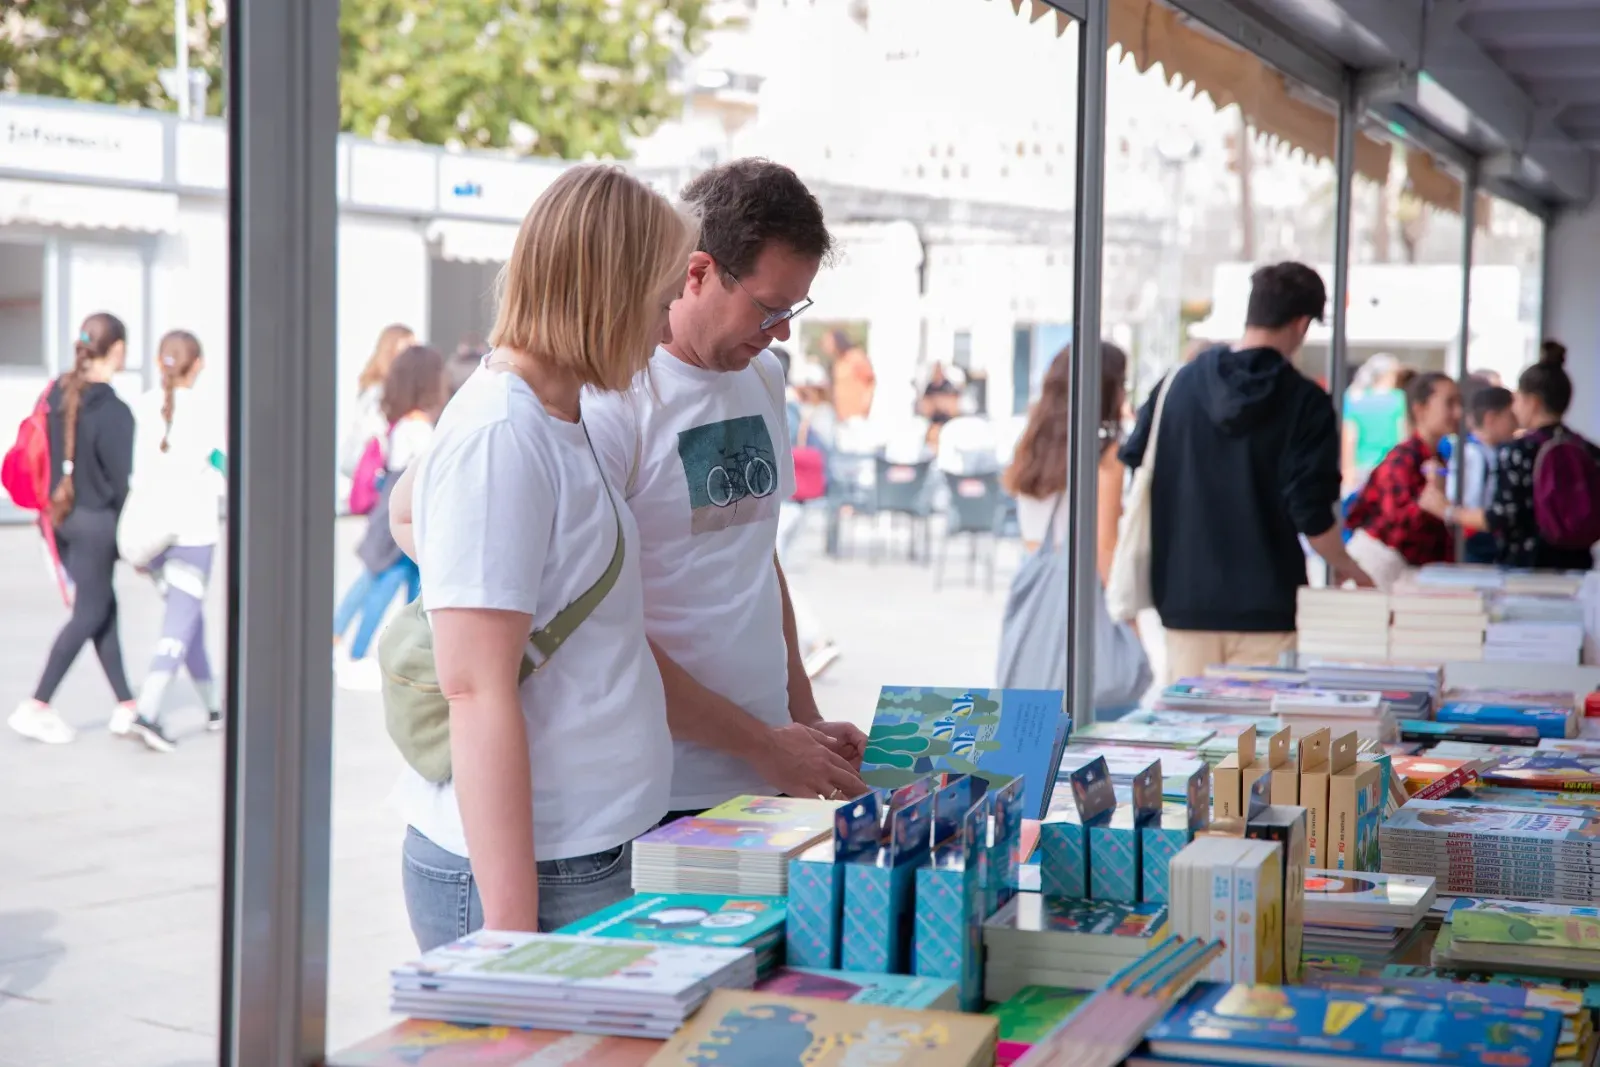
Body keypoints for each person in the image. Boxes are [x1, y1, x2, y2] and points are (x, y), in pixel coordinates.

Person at [387, 165, 699, 949]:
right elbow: (474, 690)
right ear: (608, 292)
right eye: (660, 302)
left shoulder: (558, 412)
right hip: (538, 875)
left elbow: (406, 510)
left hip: (582, 853)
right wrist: (510, 934)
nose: (665, 332)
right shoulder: (504, 430)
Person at [579, 158, 868, 819]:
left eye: (795, 309)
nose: (782, 332)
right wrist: (765, 744)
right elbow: (603, 629)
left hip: (770, 767)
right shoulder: (613, 395)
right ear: (699, 271)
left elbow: (756, 558)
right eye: (769, 307)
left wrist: (801, 721)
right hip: (662, 787)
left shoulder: (762, 377)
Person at [1120, 263, 1373, 683]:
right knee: (1257, 746)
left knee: (1188, 742)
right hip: (1267, 606)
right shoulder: (1307, 402)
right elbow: (1310, 512)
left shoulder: (1176, 386)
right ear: (1301, 323)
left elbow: (1137, 466)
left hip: (1185, 602)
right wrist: (1349, 567)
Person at [9, 314, 137, 745]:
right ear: (117, 350)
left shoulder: (57, 396)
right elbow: (123, 482)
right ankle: (37, 704)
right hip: (98, 523)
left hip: (62, 520)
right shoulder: (114, 411)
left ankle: (127, 705)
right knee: (90, 613)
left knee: (103, 610)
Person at [118, 330, 227, 751]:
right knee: (180, 623)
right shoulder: (204, 410)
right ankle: (147, 713)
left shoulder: (144, 406)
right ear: (196, 364)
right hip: (193, 533)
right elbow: (222, 468)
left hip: (150, 536)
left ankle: (214, 708)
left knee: (189, 619)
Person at [1422, 341, 1600, 571]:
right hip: (1577, 565)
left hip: (1527, 566)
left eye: (1517, 399)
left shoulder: (1519, 451)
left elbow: (1499, 517)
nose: (1514, 408)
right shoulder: (1587, 449)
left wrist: (1447, 510)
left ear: (1532, 402)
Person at [335, 344, 449, 691]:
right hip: (403, 522)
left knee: (381, 582)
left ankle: (347, 643)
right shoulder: (419, 430)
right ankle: (355, 655)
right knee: (387, 587)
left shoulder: (401, 424)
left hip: (389, 516)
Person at [1007, 342, 1128, 585]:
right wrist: (1128, 621)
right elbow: (1104, 550)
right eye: (1122, 384)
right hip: (1083, 595)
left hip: (1038, 594)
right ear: (1105, 390)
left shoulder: (1032, 446)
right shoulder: (1104, 456)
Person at [1343, 373, 1460, 590]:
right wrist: (1431, 507)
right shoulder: (1402, 460)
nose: (1458, 412)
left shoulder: (1435, 458)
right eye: (1449, 403)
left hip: (1406, 575)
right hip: (1379, 574)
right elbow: (1398, 527)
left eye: (1459, 402)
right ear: (1420, 409)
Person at [1458, 385, 1517, 565]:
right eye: (1511, 416)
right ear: (1491, 418)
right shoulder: (1473, 454)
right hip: (1477, 536)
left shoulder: (1493, 452)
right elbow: (1470, 501)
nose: (1516, 423)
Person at [1341, 354, 1408, 491]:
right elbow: (1403, 436)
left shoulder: (1354, 400)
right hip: (1389, 467)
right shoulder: (1399, 400)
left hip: (1360, 468)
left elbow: (1349, 439)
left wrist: (1348, 472)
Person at [829, 330, 875, 423]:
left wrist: (865, 405)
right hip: (841, 416)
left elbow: (870, 382)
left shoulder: (856, 357)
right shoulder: (838, 362)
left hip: (856, 416)